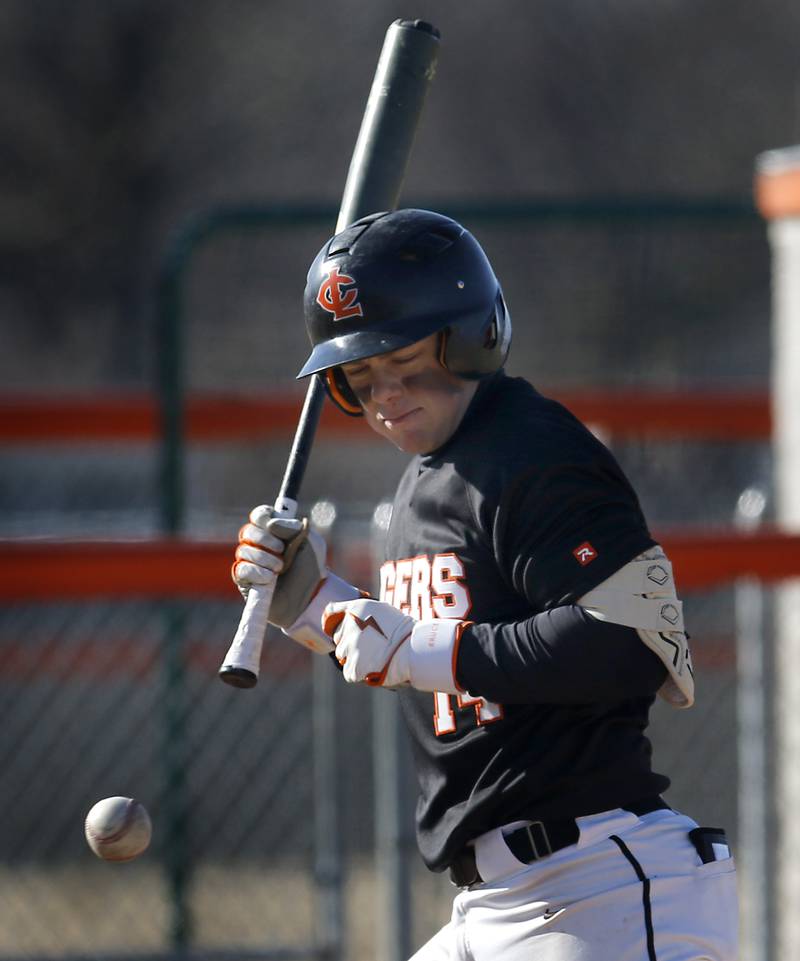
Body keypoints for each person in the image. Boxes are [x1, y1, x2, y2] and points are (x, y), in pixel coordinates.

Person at [232, 209, 738, 960]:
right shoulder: (421, 482)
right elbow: (434, 657)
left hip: (599, 890)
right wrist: (316, 606)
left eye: (402, 359)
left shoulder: (533, 452)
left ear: (471, 335)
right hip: (493, 902)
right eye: (358, 377)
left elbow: (631, 643)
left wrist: (417, 650)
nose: (384, 394)